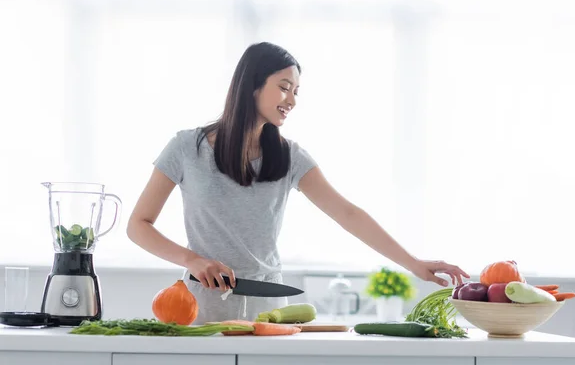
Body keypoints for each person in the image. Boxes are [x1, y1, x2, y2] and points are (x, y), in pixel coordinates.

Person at [127, 41, 470, 325]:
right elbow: (138, 226)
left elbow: (348, 214)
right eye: (284, 87)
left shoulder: (290, 157)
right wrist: (193, 260)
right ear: (252, 86)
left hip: (269, 313)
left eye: (296, 92)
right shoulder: (187, 148)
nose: (291, 100)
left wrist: (415, 264)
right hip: (200, 310)